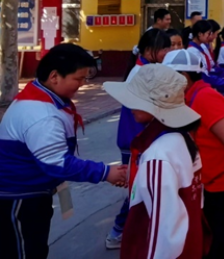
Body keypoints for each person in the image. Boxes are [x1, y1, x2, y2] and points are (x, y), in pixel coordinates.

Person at [0, 44, 128, 259]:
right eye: (78, 79)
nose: (82, 84)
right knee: (25, 252)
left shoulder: (41, 98)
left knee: (34, 248)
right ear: (54, 77)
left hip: (32, 192)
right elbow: (57, 163)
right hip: (20, 197)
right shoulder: (42, 115)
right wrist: (106, 172)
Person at [103, 64, 205, 259]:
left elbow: (163, 233)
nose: (129, 106)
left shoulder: (158, 154)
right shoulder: (182, 138)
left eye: (135, 99)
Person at [165, 49, 224, 259]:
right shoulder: (189, 98)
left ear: (184, 77)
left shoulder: (205, 97)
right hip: (214, 186)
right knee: (218, 245)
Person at [107, 29, 171, 250]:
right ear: (149, 50)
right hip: (135, 139)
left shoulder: (147, 68)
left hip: (140, 138)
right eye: (165, 48)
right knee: (138, 190)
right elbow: (145, 112)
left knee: (143, 188)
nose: (167, 52)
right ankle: (117, 231)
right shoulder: (141, 72)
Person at [187, 20, 224, 97]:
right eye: (208, 33)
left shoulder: (201, 48)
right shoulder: (193, 51)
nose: (210, 36)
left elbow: (211, 68)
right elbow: (203, 75)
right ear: (200, 34)